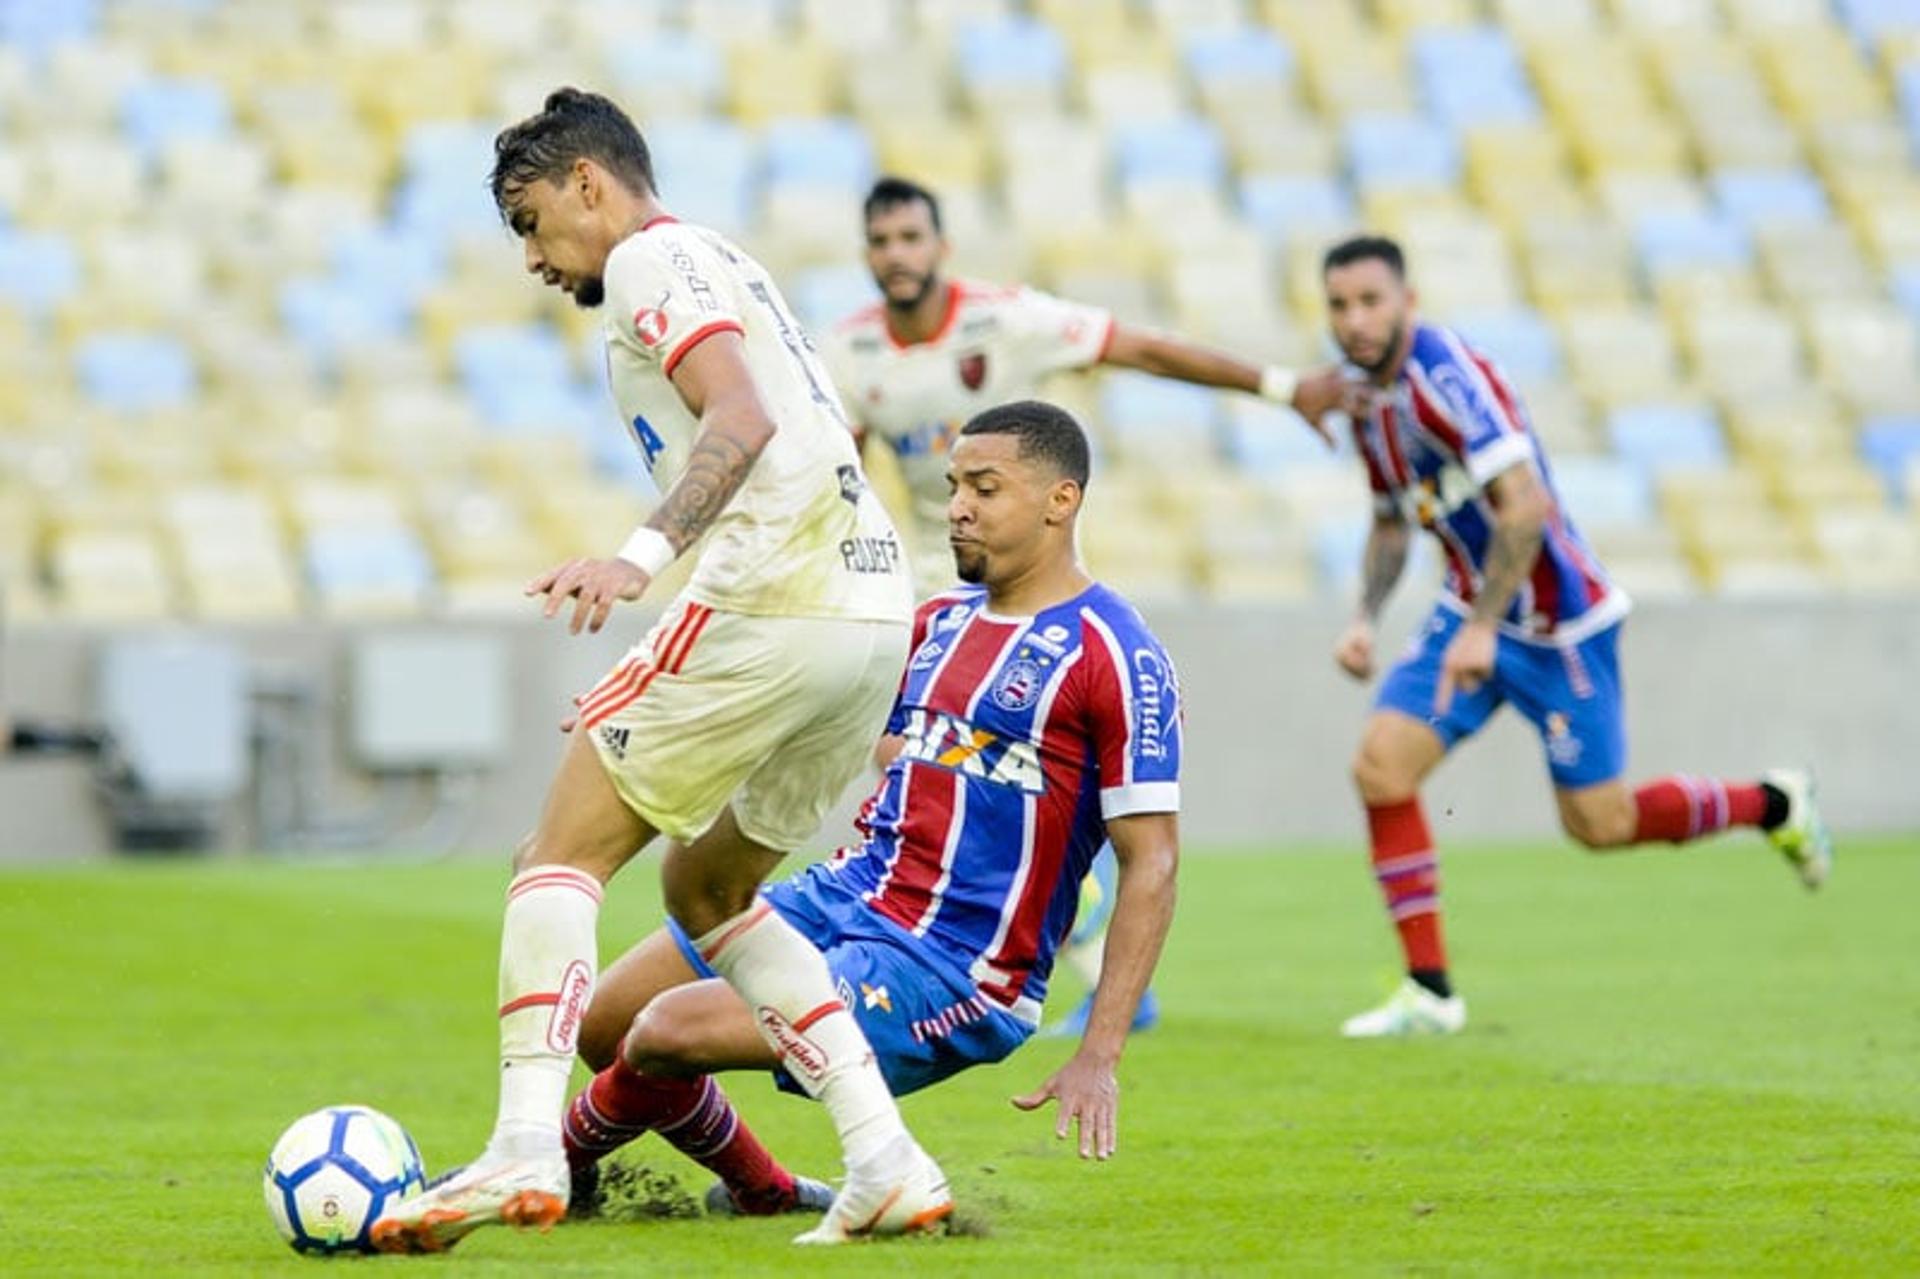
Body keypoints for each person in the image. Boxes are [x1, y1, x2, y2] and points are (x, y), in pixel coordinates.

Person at [372, 88, 932, 1253]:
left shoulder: (648, 261)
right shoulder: (729, 259)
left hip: (774, 595)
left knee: (556, 854)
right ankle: (883, 1157)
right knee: (709, 894)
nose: (530, 256)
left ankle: (525, 1141)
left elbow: (738, 417)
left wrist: (639, 558)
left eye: (531, 220)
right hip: (872, 611)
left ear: (590, 183)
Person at [557, 400, 1182, 1219]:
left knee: (667, 1029)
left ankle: (546, 1166)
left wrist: (1100, 1051)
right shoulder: (933, 622)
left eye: (985, 488)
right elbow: (815, 706)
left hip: (953, 965)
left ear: (1060, 501)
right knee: (605, 1022)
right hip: (849, 895)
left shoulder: (1116, 653)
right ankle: (766, 1192)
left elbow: (1153, 859)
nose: (956, 505)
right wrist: (662, 706)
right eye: (955, 484)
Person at [820, 175, 1338, 1034]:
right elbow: (838, 475)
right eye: (881, 242)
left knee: (992, 772)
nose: (896, 256)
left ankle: (1047, 936)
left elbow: (1139, 348)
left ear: (940, 247)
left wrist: (1280, 387)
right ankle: (1014, 934)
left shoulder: (1008, 323)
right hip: (927, 584)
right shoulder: (850, 352)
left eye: (911, 238)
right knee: (903, 757)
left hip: (1025, 592)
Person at [1319, 234, 1832, 1039]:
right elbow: (1391, 521)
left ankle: (1773, 802)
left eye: (1370, 301)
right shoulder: (1367, 406)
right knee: (1382, 766)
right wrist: (1363, 617)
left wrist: (1487, 628)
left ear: (1406, 301)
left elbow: (1525, 507)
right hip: (1471, 616)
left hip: (1557, 627)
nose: (1355, 320)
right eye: (1339, 305)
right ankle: (1430, 991)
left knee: (1602, 824)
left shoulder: (1443, 376)